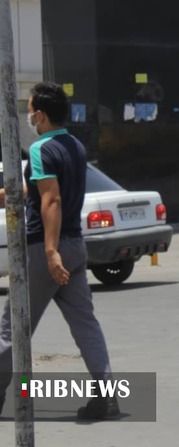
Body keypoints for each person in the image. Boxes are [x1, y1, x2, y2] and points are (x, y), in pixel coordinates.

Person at [0, 82, 119, 419]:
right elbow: (40, 191)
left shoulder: (40, 148)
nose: (29, 114)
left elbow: (52, 199)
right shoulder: (74, 146)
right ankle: (106, 395)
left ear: (40, 114)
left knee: (12, 328)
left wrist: (50, 253)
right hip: (74, 245)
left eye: (31, 108)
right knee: (86, 324)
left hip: (43, 248)